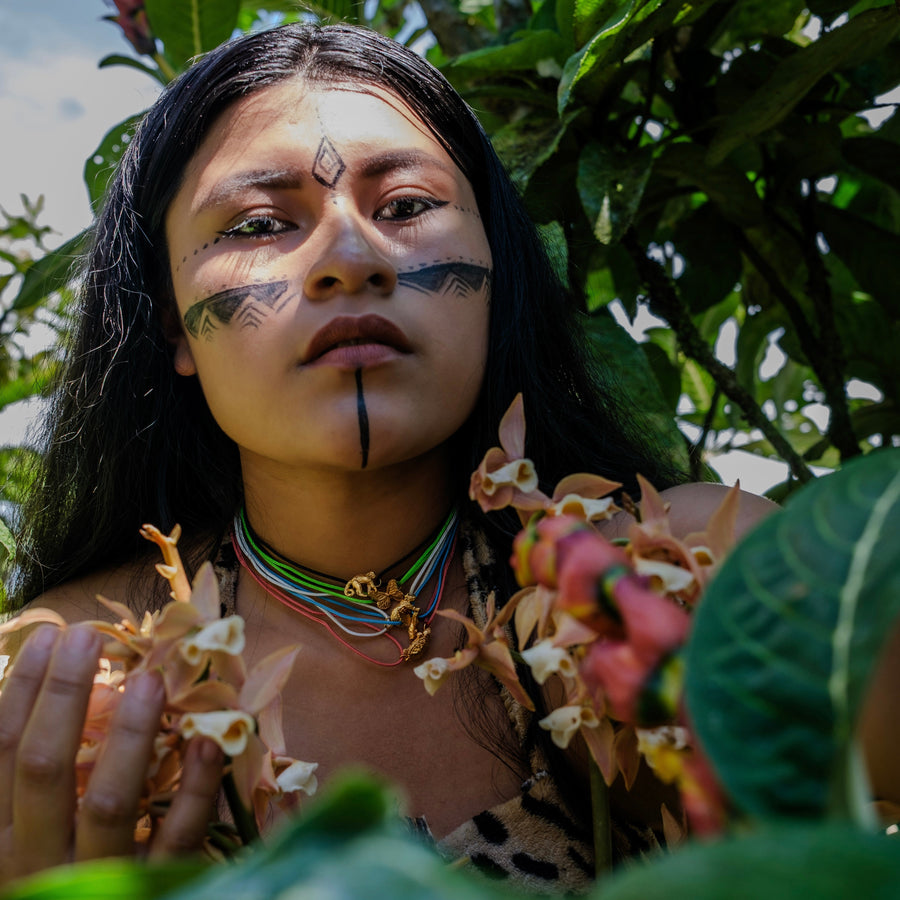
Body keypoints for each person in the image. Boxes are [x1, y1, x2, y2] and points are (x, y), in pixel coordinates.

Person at [1, 22, 779, 893]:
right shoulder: (64, 684)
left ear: (499, 263)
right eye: (259, 222)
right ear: (173, 324)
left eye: (406, 206)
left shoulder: (695, 578)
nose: (349, 257)